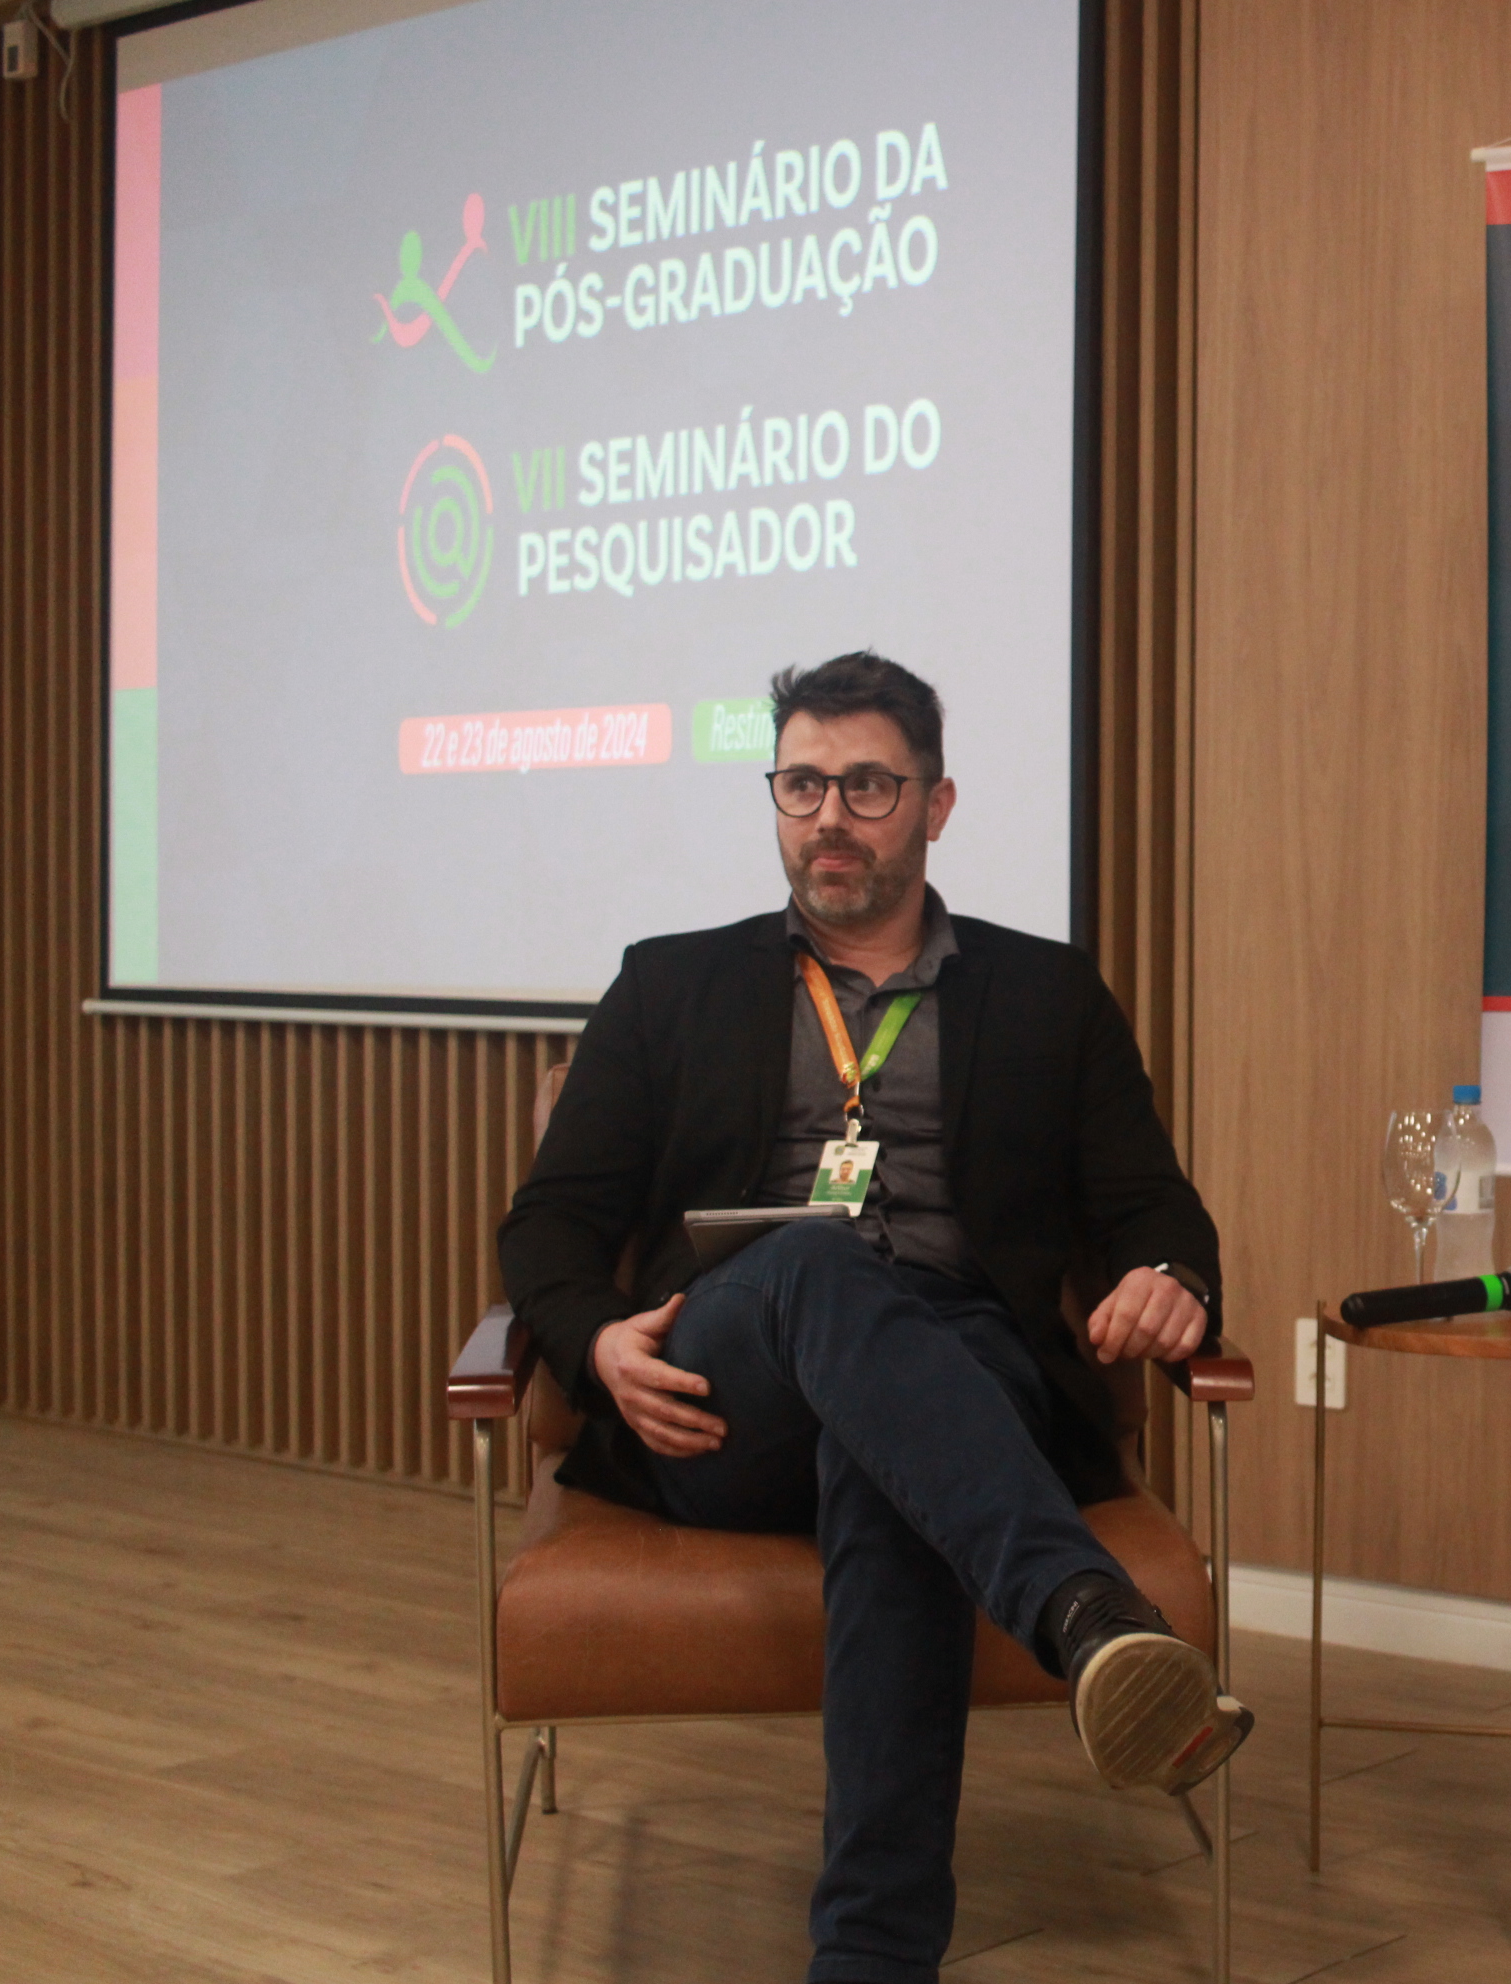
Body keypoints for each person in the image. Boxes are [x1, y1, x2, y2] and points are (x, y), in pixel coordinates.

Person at [498, 651, 1248, 1984]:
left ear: (936, 804)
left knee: (886, 1454)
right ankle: (1086, 1615)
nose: (829, 816)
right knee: (815, 1260)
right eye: (802, 785)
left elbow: (1155, 1210)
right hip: (728, 1391)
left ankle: (871, 1962)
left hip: (961, 1369)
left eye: (867, 786)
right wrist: (601, 1342)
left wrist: (1172, 1278)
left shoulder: (1047, 995)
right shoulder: (670, 986)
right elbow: (549, 1226)